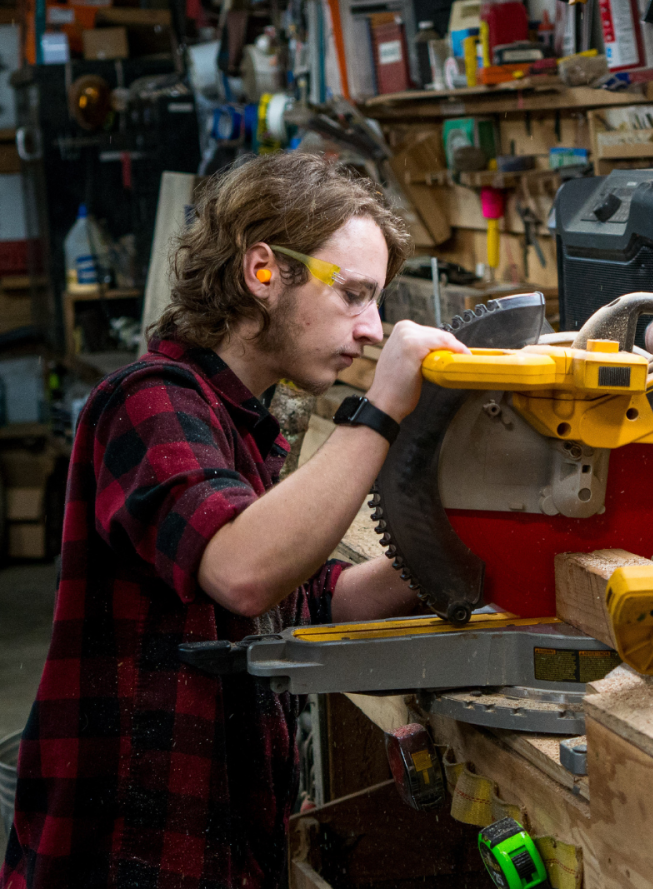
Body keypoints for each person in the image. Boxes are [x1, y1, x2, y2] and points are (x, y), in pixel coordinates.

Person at [0, 152, 469, 889]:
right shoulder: (147, 400)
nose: (374, 328)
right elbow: (242, 572)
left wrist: (458, 548)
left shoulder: (242, 426)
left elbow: (309, 599)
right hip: (133, 853)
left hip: (217, 841)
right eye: (353, 295)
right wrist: (379, 410)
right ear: (262, 272)